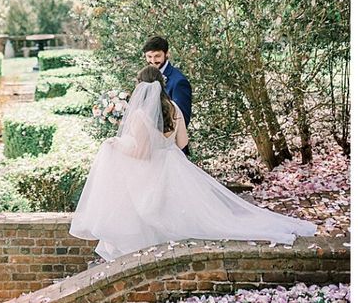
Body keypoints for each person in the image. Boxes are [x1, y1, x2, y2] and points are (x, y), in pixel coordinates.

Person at [69, 68, 316, 262]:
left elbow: (141, 153)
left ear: (141, 86)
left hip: (153, 168)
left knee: (147, 207)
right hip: (173, 162)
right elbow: (183, 141)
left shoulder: (139, 115)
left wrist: (115, 144)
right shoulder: (174, 107)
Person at [143, 35, 191, 156]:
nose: (153, 61)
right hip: (150, 147)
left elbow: (182, 119)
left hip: (171, 150)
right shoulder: (146, 76)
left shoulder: (179, 81)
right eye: (149, 56)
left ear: (167, 54)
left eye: (157, 56)